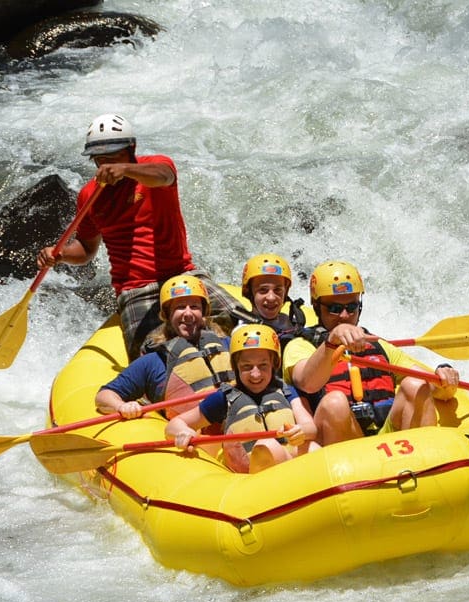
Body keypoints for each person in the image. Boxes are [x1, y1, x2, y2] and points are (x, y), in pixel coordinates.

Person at [36, 113, 243, 359]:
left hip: (182, 273)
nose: (106, 166)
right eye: (100, 159)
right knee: (154, 355)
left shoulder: (156, 167)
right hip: (136, 288)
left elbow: (164, 176)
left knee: (243, 322)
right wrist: (60, 255)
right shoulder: (89, 195)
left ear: (131, 148)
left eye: (114, 157)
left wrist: (126, 170)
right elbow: (86, 248)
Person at [283, 260, 460, 445]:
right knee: (334, 403)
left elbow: (430, 386)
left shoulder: (379, 345)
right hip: (339, 444)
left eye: (351, 307)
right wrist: (331, 343)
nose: (344, 315)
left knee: (415, 385)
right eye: (334, 309)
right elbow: (307, 383)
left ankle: (427, 464)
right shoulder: (300, 346)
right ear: (317, 307)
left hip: (384, 441)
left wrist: (445, 380)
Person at [165, 324, 319, 473]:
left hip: (289, 464)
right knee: (269, 446)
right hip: (249, 479)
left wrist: (301, 430)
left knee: (313, 449)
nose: (255, 374)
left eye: (263, 365)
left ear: (274, 364)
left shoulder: (286, 391)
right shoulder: (224, 398)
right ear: (236, 366)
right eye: (247, 366)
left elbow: (311, 427)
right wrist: (183, 432)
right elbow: (174, 424)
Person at [95, 274, 232, 419]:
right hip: (188, 434)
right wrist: (122, 406)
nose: (188, 314)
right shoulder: (152, 361)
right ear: (167, 315)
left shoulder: (229, 344)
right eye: (180, 308)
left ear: (204, 313)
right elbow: (104, 396)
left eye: (194, 307)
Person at [231, 253, 306, 348]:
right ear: (249, 293)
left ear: (285, 293)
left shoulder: (291, 323)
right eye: (263, 290)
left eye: (278, 290)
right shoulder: (242, 332)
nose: (271, 297)